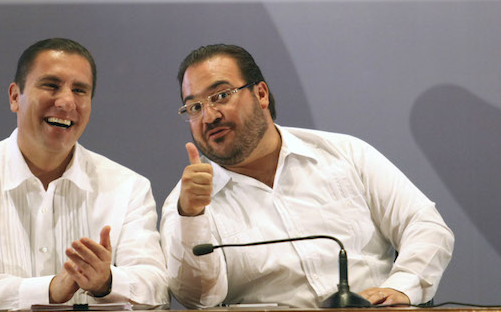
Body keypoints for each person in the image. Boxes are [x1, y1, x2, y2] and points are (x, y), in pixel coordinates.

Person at [160, 44, 454, 308]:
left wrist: (401, 287)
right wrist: (192, 217)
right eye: (195, 107)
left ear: (260, 94)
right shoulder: (186, 203)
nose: (209, 116)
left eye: (221, 96)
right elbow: (198, 299)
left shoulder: (344, 154)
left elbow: (425, 225)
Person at [0, 38, 169, 310]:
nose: (67, 102)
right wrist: (50, 290)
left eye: (80, 90)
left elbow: (157, 289)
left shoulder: (129, 188)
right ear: (14, 97)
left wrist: (107, 282)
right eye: (51, 85)